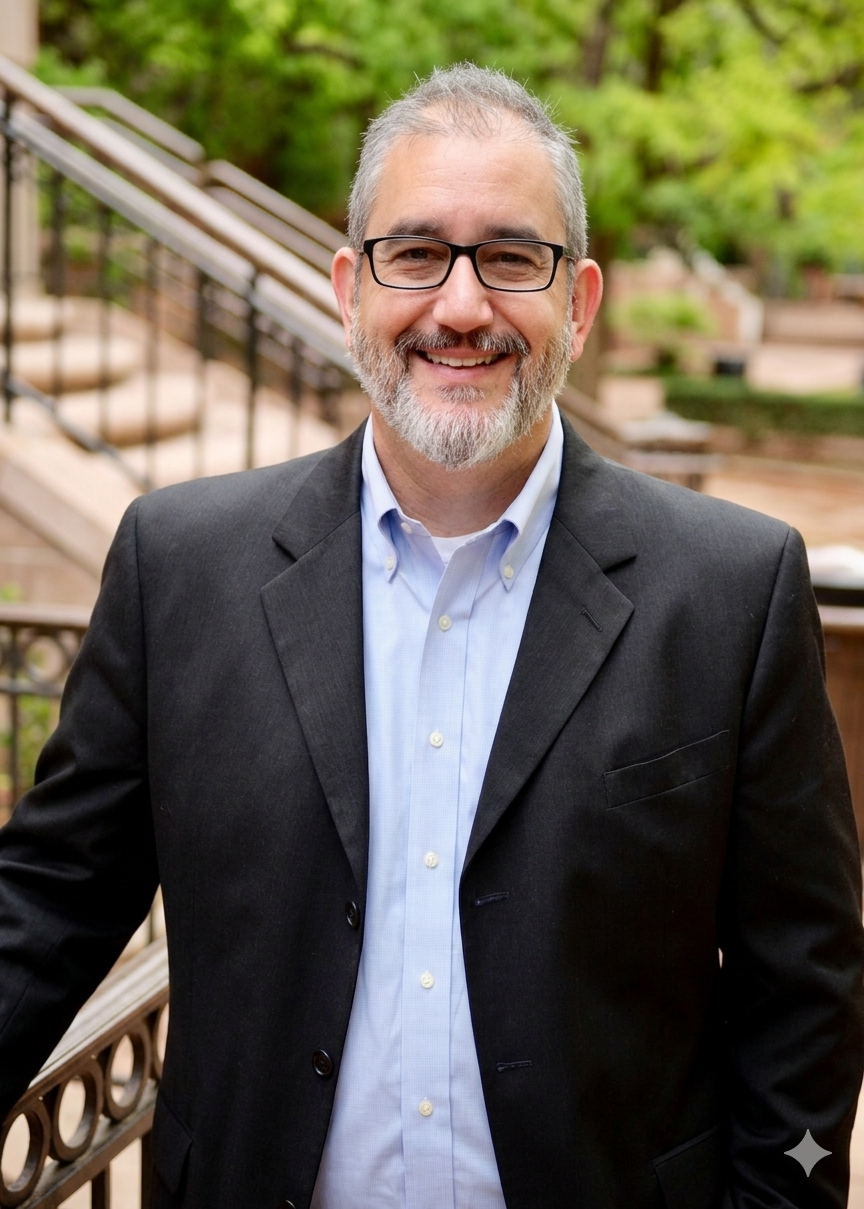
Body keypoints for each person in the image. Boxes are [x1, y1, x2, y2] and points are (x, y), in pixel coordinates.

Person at [0, 63, 861, 1209]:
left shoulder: (733, 590)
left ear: (581, 301)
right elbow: (51, 898)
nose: (461, 307)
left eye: (511, 258)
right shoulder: (180, 569)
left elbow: (803, 984)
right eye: (416, 255)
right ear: (350, 289)